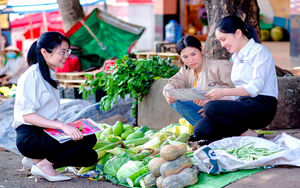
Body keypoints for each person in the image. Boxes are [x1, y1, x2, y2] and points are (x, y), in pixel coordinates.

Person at [13, 31, 98, 182]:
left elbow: (45, 111)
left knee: (90, 157)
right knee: (88, 138)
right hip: (30, 137)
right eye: (63, 52)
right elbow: (27, 115)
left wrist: (65, 126)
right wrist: (62, 126)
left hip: (44, 132)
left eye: (68, 51)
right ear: (44, 52)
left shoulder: (48, 72)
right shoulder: (32, 76)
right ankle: (43, 166)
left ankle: (36, 160)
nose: (67, 56)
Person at [193, 15, 278, 142]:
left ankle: (248, 134)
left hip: (262, 107)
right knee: (201, 129)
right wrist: (213, 98)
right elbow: (236, 94)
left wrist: (221, 93)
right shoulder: (236, 57)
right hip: (243, 104)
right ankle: (238, 133)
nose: (222, 44)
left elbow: (254, 88)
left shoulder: (259, 52)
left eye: (223, 39)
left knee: (210, 108)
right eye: (220, 41)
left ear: (238, 33)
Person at [163, 35, 234, 127]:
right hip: (205, 112)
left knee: (204, 129)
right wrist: (168, 94)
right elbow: (173, 83)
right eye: (185, 57)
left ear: (201, 50)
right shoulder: (186, 69)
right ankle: (206, 128)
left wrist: (213, 105)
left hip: (223, 109)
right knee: (175, 99)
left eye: (193, 54)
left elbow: (240, 93)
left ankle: (211, 129)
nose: (191, 60)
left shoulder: (219, 66)